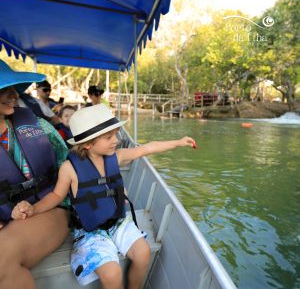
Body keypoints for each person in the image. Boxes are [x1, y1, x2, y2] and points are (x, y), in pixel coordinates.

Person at [12, 104, 197, 289]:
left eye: (116, 134)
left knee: (143, 253)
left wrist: (178, 142)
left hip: (117, 222)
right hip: (90, 231)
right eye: (109, 137)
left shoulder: (116, 157)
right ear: (87, 143)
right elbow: (56, 196)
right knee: (112, 274)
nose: (116, 140)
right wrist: (34, 208)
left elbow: (147, 148)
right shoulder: (69, 169)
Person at [0, 59, 69, 289]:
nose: (13, 95)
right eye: (4, 89)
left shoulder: (40, 126)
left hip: (50, 207)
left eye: (13, 89)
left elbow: (70, 166)